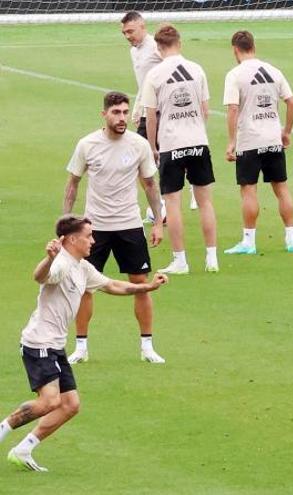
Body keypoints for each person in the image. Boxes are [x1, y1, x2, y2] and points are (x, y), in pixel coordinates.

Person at [0, 215, 167, 472]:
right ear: (72, 239)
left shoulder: (82, 267)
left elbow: (112, 285)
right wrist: (49, 258)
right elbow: (40, 276)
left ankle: (23, 449)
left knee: (70, 405)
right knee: (48, 402)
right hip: (39, 343)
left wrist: (148, 288)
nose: (93, 240)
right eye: (88, 235)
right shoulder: (62, 264)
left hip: (55, 345)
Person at [63, 91, 166, 364]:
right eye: (116, 113)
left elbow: (150, 185)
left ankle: (147, 347)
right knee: (85, 286)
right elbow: (73, 183)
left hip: (129, 224)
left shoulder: (138, 144)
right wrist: (67, 225)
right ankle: (81, 347)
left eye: (124, 112)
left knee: (140, 283)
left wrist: (158, 222)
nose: (122, 118)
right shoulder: (87, 145)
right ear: (104, 114)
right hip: (93, 228)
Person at [142, 23, 218, 274]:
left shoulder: (154, 75)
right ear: (180, 43)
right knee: (205, 202)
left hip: (171, 144)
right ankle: (212, 258)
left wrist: (153, 146)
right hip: (198, 141)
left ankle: (180, 260)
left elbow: (150, 116)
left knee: (172, 203)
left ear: (158, 47)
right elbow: (205, 109)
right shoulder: (197, 69)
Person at [222, 30, 293, 255]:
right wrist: (286, 131)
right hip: (273, 138)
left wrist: (231, 142)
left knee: (249, 190)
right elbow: (292, 102)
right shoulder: (274, 71)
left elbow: (233, 109)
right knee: (281, 188)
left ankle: (249, 241)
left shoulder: (235, 74)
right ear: (253, 46)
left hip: (249, 140)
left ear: (235, 49)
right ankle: (291, 238)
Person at [120, 11, 197, 212]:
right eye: (124, 33)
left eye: (131, 31)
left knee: (167, 154)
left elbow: (177, 69)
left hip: (163, 110)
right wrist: (138, 108)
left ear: (142, 26)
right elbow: (144, 84)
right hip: (148, 110)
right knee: (144, 156)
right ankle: (160, 204)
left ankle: (189, 192)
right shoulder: (133, 51)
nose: (128, 36)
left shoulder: (156, 46)